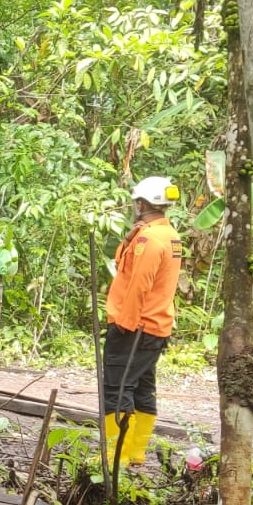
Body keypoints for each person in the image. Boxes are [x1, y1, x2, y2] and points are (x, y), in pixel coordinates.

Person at [102, 176, 184, 466]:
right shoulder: (169, 235)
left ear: (140, 204)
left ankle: (117, 455)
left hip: (136, 327)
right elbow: (124, 266)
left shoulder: (149, 240)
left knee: (117, 388)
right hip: (155, 327)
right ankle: (136, 452)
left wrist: (124, 324)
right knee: (141, 388)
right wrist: (127, 240)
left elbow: (139, 285)